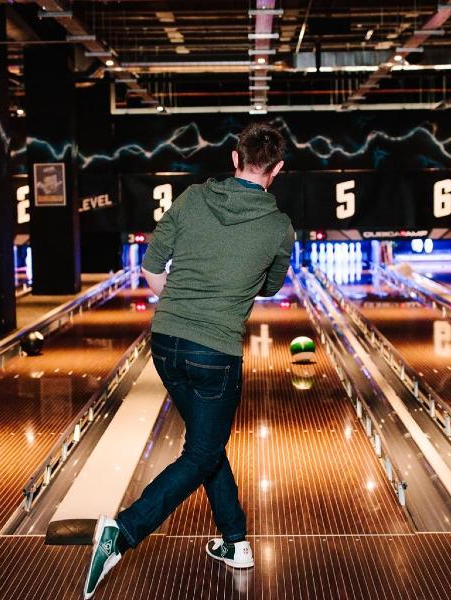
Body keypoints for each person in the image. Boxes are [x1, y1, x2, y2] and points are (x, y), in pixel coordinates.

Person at [83, 123, 295, 598]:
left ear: (234, 159)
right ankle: (124, 531)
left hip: (165, 342)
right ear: (277, 169)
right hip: (216, 351)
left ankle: (235, 540)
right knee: (201, 451)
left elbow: (152, 270)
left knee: (206, 443)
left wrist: (179, 304)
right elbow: (270, 286)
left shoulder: (192, 198)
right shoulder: (279, 226)